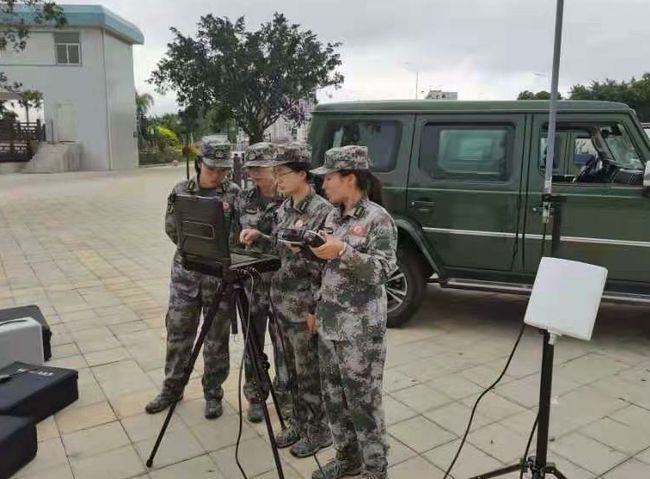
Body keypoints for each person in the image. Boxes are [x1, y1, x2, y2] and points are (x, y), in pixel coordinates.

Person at [309, 145, 397, 479]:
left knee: (363, 401)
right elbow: (326, 270)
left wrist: (343, 251)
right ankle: (347, 458)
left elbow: (383, 271)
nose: (324, 185)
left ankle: (375, 467)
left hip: (360, 330)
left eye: (328, 178)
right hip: (330, 322)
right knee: (334, 397)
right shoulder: (332, 216)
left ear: (349, 178)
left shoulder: (378, 219)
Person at [241, 142, 334, 458]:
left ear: (302, 174)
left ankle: (319, 430)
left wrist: (315, 308)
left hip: (303, 306)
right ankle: (298, 423)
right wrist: (260, 238)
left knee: (309, 373)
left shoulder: (322, 212)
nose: (277, 178)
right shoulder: (284, 209)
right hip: (280, 303)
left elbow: (326, 266)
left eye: (282, 172)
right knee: (289, 372)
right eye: (276, 172)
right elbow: (281, 249)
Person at [145, 138, 240, 420]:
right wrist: (197, 249)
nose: (218, 175)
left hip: (219, 279)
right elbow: (171, 228)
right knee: (178, 334)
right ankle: (172, 389)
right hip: (186, 277)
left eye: (223, 169)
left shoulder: (234, 193)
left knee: (216, 340)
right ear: (199, 163)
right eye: (212, 169)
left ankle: (213, 393)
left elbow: (238, 232)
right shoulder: (181, 191)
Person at [236, 142, 291, 423]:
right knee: (252, 343)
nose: (254, 174)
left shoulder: (290, 198)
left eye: (260, 168)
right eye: (250, 168)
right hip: (253, 284)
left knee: (284, 345)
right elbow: (232, 238)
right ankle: (256, 396)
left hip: (284, 285)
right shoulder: (243, 199)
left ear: (274, 167)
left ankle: (286, 399)